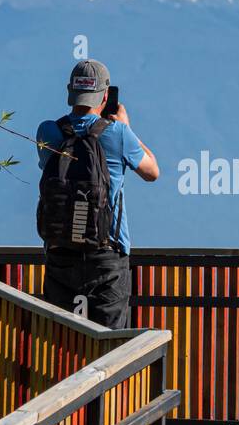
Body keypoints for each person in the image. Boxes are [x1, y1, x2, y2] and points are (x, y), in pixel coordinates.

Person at [35, 59, 159, 328]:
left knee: (63, 342)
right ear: (105, 96)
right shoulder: (118, 133)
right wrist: (127, 128)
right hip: (107, 258)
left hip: (61, 255)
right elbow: (152, 172)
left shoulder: (48, 131)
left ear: (70, 92)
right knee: (112, 350)